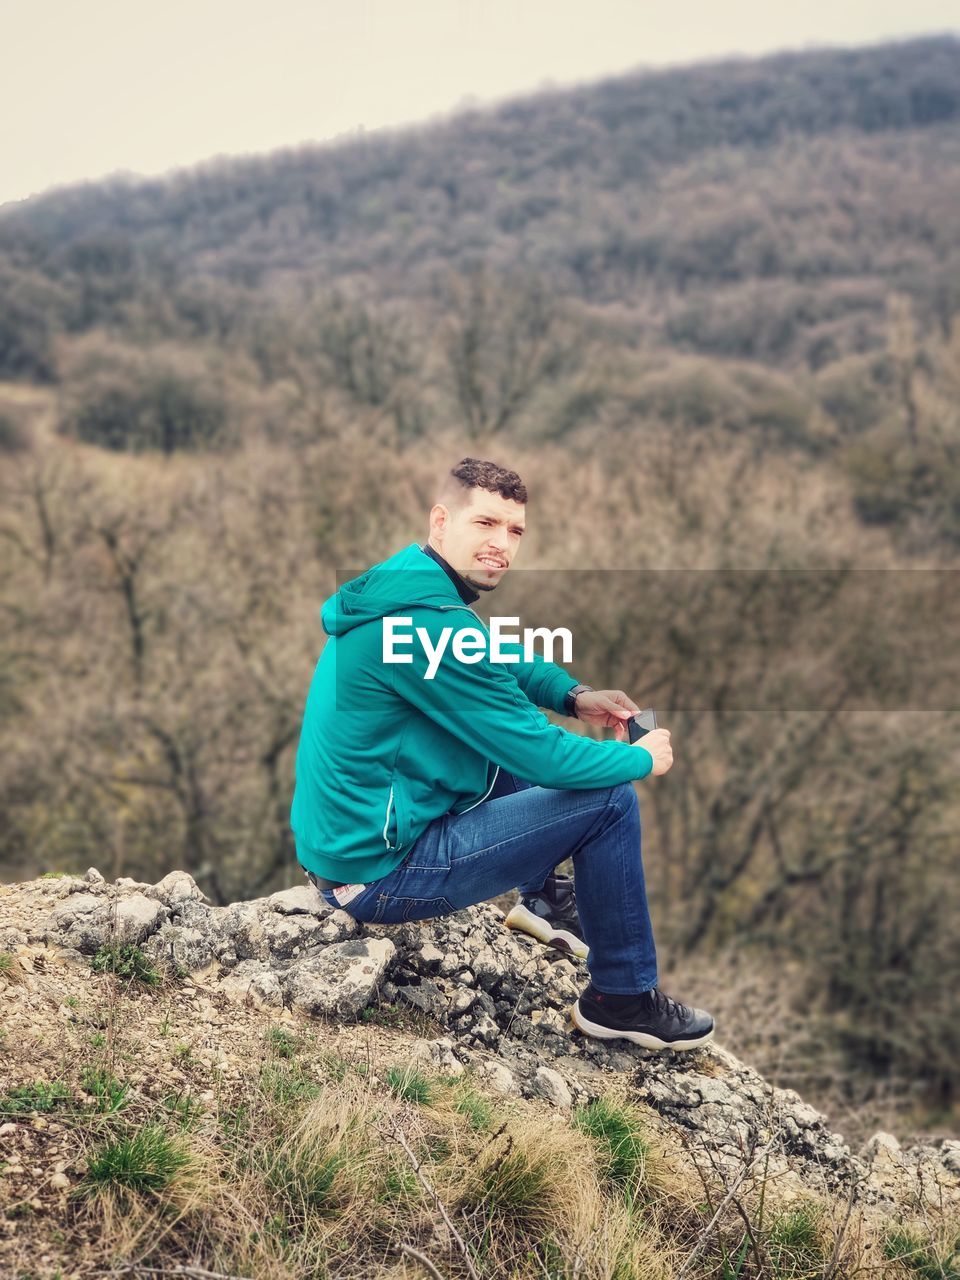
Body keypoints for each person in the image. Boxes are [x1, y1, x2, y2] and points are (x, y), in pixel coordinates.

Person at [289, 458, 714, 1050]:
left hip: (351, 845)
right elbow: (544, 757)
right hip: (376, 875)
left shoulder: (407, 590)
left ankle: (542, 897)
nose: (501, 545)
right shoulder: (425, 624)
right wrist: (644, 760)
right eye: (485, 523)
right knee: (610, 799)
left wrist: (572, 695)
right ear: (441, 521)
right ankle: (621, 999)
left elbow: (492, 657)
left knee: (492, 743)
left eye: (514, 531)